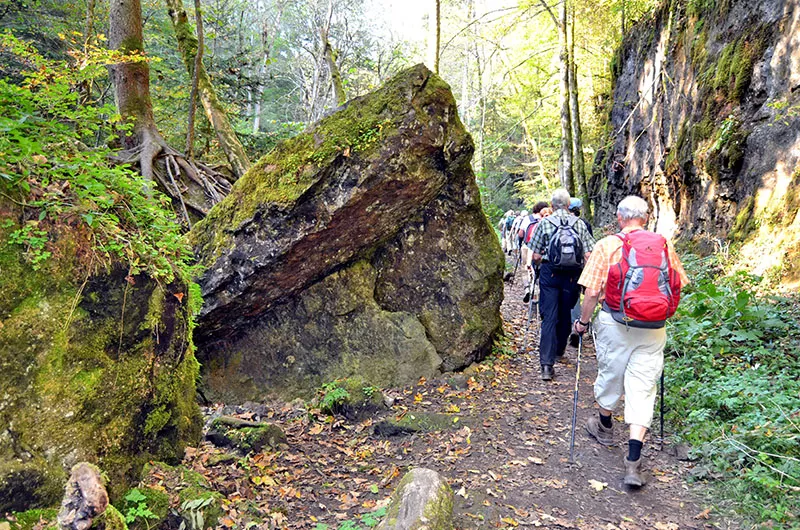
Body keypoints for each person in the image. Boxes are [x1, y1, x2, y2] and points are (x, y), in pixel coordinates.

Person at [572, 195, 689, 487]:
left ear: (620, 217)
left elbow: (590, 292)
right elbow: (678, 284)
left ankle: (605, 425)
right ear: (646, 218)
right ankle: (633, 460)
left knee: (611, 371)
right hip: (654, 327)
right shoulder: (663, 244)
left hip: (616, 322)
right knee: (644, 386)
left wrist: (583, 322)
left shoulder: (607, 245)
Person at [527, 189, 595, 381]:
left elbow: (536, 255)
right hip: (572, 276)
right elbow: (589, 254)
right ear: (568, 205)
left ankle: (547, 366)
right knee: (565, 313)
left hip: (550, 273)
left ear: (551, 204)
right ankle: (559, 350)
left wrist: (540, 264)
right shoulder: (579, 224)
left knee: (549, 317)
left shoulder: (545, 223)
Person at [568, 198, 593, 346]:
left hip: (557, 269)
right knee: (576, 297)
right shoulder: (584, 224)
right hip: (578, 267)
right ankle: (576, 327)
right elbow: (588, 251)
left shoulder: (555, 222)